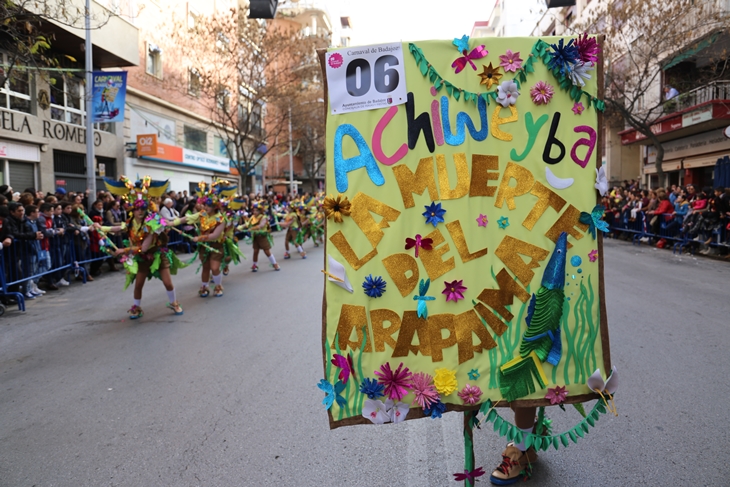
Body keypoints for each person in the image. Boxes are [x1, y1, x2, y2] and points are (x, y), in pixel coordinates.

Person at [100, 176, 186, 319]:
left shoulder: (152, 223)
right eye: (137, 209)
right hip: (142, 259)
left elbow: (144, 247)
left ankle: (174, 302)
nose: (140, 211)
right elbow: (116, 228)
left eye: (143, 208)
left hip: (157, 254)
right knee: (138, 284)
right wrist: (100, 227)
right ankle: (137, 307)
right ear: (133, 210)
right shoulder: (129, 222)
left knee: (168, 283)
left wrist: (123, 250)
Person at [170, 180, 240, 297]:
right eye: (206, 205)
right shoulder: (202, 214)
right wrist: (173, 223)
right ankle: (204, 286)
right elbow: (187, 219)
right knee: (205, 267)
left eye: (209, 206)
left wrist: (200, 238)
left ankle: (218, 286)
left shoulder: (221, 219)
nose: (206, 207)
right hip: (204, 247)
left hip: (216, 245)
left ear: (215, 207)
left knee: (215, 267)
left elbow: (215, 235)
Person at [241, 200, 280, 272]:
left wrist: (252, 228)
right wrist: (240, 227)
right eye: (254, 210)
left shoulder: (264, 217)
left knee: (267, 251)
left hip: (262, 236)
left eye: (256, 211)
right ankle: (255, 265)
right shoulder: (252, 217)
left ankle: (275, 263)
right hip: (255, 236)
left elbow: (261, 225)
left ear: (260, 211)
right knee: (255, 251)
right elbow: (247, 224)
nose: (254, 212)